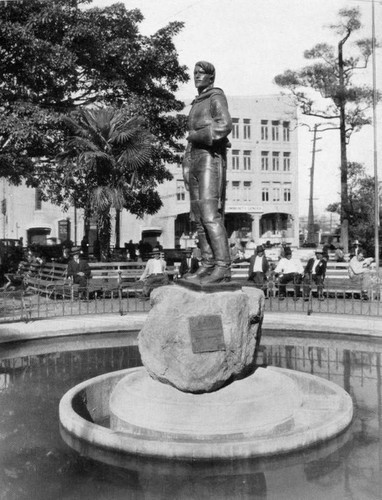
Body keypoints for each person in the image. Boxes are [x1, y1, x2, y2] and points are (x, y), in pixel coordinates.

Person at [182, 61, 232, 284]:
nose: (196, 77)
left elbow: (224, 125)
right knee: (198, 218)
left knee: (210, 215)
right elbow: (189, 141)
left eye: (201, 74)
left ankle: (222, 265)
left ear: (211, 77)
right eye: (194, 73)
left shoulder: (215, 97)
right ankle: (207, 262)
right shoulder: (197, 102)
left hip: (210, 160)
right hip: (194, 160)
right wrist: (186, 166)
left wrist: (196, 135)